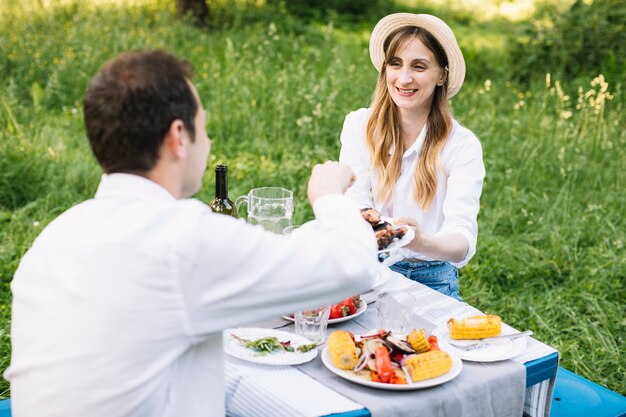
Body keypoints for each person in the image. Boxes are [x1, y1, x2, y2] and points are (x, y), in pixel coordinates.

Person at [5, 50, 378, 417]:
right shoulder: (181, 238)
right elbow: (355, 265)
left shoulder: (53, 238)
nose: (210, 142)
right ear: (178, 136)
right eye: (206, 127)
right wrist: (329, 196)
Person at [339, 13, 486, 301]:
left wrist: (422, 241)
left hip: (433, 279)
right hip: (369, 271)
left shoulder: (462, 145)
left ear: (441, 75)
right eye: (396, 64)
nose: (404, 78)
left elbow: (462, 240)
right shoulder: (359, 125)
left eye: (419, 66)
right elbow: (355, 202)